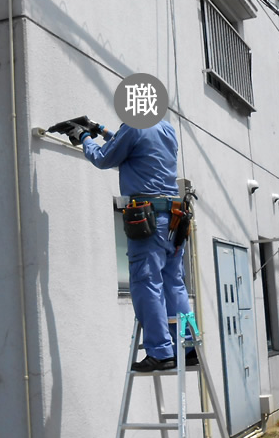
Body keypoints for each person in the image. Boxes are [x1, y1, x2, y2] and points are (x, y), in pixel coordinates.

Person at [64, 119, 193, 372]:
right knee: (174, 284)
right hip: (174, 220)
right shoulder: (166, 129)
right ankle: (188, 347)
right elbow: (135, 146)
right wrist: (100, 130)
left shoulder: (133, 128)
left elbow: (104, 159)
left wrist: (83, 137)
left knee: (147, 283)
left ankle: (160, 351)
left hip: (150, 222)